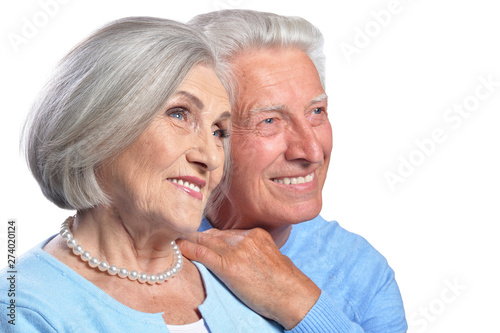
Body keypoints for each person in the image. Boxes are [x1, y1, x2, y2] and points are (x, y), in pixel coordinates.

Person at [0, 17, 283, 332]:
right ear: (97, 128)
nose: (211, 157)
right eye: (179, 113)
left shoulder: (241, 273)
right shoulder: (24, 307)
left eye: (219, 131)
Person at [178, 9, 408, 332]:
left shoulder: (364, 274)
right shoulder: (145, 249)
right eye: (269, 121)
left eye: (316, 112)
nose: (312, 151)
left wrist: (299, 301)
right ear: (210, 134)